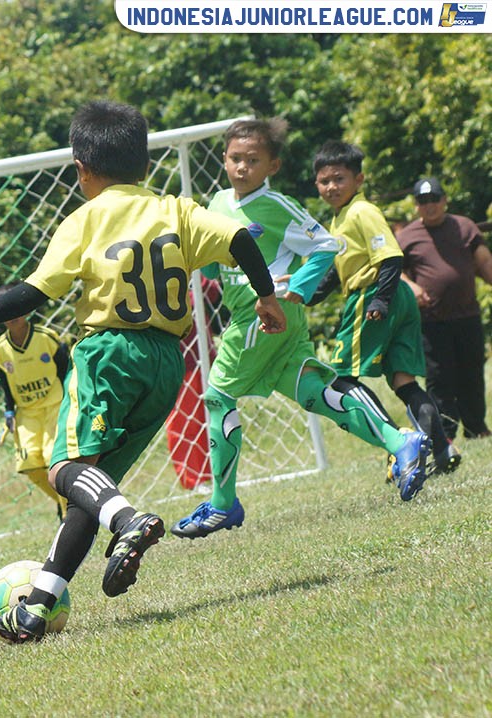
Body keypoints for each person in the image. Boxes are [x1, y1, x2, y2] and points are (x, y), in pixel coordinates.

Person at [0, 100, 287, 643]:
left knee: (64, 468)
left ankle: (130, 522)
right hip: (166, 364)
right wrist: (266, 297)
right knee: (93, 488)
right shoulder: (176, 209)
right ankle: (37, 607)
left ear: (82, 169)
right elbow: (240, 239)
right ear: (146, 165)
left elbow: (36, 292)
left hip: (108, 354)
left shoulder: (85, 219)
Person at [171, 119, 429, 539]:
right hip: (251, 317)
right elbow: (211, 255)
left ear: (272, 165)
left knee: (217, 395)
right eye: (235, 158)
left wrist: (294, 289)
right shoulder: (217, 203)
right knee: (313, 392)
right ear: (223, 159)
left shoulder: (277, 206)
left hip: (264, 318)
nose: (242, 168)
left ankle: (222, 504)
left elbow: (327, 245)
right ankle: (400, 442)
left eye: (253, 161)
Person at [308, 140, 444, 499]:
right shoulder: (338, 220)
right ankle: (442, 451)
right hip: (393, 299)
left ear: (359, 179)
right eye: (324, 181)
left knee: (339, 379)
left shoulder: (360, 212)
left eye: (339, 178)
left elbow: (391, 256)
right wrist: (303, 295)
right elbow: (336, 273)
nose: (331, 187)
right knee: (403, 380)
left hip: (373, 295)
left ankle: (399, 444)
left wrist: (380, 301)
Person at [396, 177, 492, 448]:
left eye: (434, 199)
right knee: (439, 378)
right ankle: (445, 433)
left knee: (472, 372)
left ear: (444, 200)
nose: (430, 205)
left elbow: (484, 261)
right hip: (431, 321)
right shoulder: (406, 237)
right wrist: (412, 286)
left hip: (467, 316)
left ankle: (476, 428)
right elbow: (394, 271)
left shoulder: (465, 227)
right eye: (423, 201)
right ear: (416, 205)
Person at [0, 283, 70, 519]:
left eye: (16, 310)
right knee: (29, 466)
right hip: (26, 413)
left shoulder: (47, 338)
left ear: (26, 310)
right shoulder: (1, 348)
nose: (12, 317)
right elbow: (5, 383)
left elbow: (65, 371)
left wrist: (71, 401)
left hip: (53, 406)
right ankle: (62, 501)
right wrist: (8, 413)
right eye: (5, 312)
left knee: (52, 460)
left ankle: (68, 518)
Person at [166, 275, 223, 490]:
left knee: (211, 417)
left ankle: (217, 469)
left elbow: (213, 292)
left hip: (206, 359)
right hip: (177, 363)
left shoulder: (191, 275)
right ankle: (194, 479)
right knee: (183, 422)